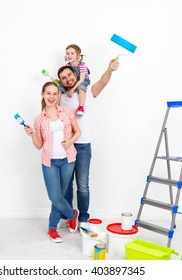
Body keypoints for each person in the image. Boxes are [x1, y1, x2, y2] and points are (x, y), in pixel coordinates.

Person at [57, 59, 119, 229]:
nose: (67, 79)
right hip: (66, 145)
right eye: (63, 78)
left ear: (76, 74)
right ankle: (68, 215)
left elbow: (102, 82)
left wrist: (110, 69)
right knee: (66, 184)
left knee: (83, 184)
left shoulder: (87, 93)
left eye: (69, 74)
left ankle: (83, 217)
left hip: (83, 145)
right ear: (60, 82)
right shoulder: (60, 97)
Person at [24, 81, 81, 243]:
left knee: (60, 196)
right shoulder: (39, 119)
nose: (52, 97)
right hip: (49, 161)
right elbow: (39, 145)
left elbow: (78, 132)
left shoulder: (66, 112)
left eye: (55, 93)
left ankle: (52, 228)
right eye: (48, 93)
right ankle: (72, 214)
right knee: (55, 196)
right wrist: (32, 134)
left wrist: (69, 142)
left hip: (68, 159)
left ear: (59, 95)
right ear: (42, 95)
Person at [59, 44, 91, 116]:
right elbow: (65, 76)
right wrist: (60, 81)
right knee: (59, 88)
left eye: (72, 53)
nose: (69, 55)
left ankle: (81, 107)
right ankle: (57, 108)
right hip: (73, 80)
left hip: (82, 80)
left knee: (81, 88)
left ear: (78, 56)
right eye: (67, 53)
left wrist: (72, 89)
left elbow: (81, 80)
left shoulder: (82, 66)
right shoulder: (67, 66)